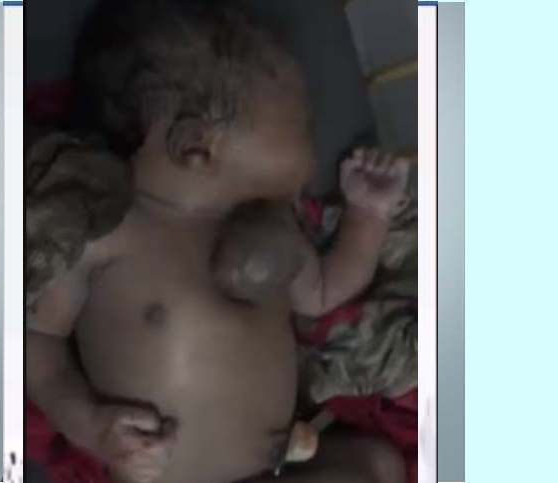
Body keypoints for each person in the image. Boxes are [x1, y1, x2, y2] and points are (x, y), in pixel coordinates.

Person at [26, 1, 407, 482]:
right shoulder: (104, 231)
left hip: (273, 469)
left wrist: (368, 215)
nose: (312, 143)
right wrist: (90, 426)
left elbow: (324, 293)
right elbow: (39, 346)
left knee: (379, 464)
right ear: (197, 146)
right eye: (300, 122)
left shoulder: (270, 230)